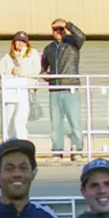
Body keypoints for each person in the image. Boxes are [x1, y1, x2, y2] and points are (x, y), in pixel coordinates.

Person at [39, 19, 88, 158]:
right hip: (54, 89)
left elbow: (82, 36)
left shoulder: (72, 43)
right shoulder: (49, 48)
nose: (59, 32)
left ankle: (77, 150)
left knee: (75, 123)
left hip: (70, 87)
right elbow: (43, 68)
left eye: (61, 29)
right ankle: (57, 151)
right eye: (56, 29)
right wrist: (44, 75)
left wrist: (68, 24)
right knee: (56, 125)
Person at [0, 32, 41, 142]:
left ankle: (22, 144)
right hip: (10, 91)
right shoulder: (8, 56)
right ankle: (10, 144)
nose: (20, 43)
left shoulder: (32, 53)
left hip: (25, 90)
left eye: (23, 41)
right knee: (8, 120)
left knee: (20, 120)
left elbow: (36, 70)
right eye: (18, 40)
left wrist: (22, 71)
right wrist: (10, 71)